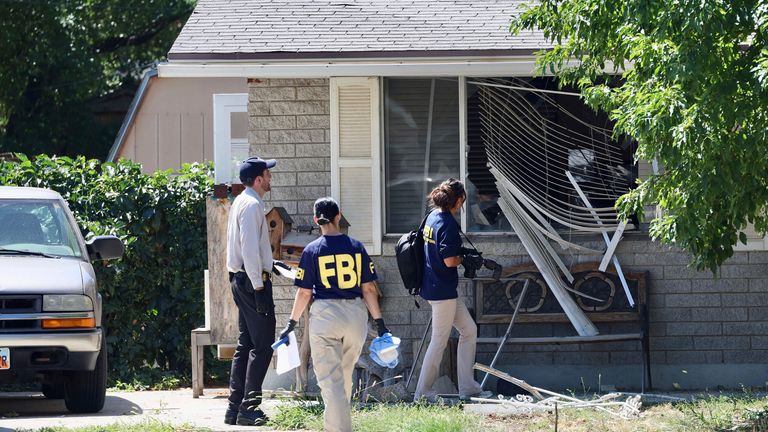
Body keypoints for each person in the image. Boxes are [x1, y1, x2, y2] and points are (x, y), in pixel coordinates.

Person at [278, 197, 390, 432]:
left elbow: (304, 293)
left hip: (326, 315)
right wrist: (379, 323)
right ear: (338, 216)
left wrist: (291, 322)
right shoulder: (357, 247)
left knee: (331, 383)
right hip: (355, 315)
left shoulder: (312, 250)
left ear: (315, 220)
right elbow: (368, 289)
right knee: (344, 377)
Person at [413, 178, 491, 402]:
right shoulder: (446, 222)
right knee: (438, 341)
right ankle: (422, 393)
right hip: (442, 291)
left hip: (437, 287)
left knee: (468, 330)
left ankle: (468, 388)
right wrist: (464, 259)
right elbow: (449, 260)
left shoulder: (432, 217)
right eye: (463, 200)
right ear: (458, 200)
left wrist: (463, 254)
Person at [224, 156, 277, 426]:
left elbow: (251, 248)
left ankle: (234, 408)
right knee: (263, 345)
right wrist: (259, 287)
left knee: (246, 345)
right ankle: (248, 408)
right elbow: (248, 249)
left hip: (242, 278)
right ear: (258, 179)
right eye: (267, 174)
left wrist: (270, 264)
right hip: (251, 282)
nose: (270, 177)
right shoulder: (253, 204)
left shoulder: (241, 201)